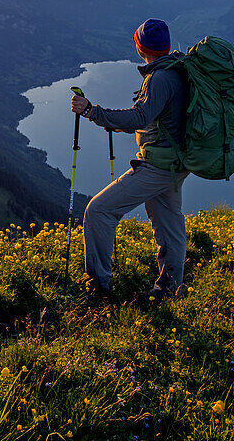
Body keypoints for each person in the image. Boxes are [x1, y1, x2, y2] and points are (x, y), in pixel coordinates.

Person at [70, 18, 189, 301]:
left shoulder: (160, 78)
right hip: (176, 163)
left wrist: (92, 111)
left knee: (98, 211)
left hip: (158, 166)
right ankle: (169, 289)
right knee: (169, 225)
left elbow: (139, 117)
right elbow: (150, 117)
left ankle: (98, 287)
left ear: (140, 46)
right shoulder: (177, 70)